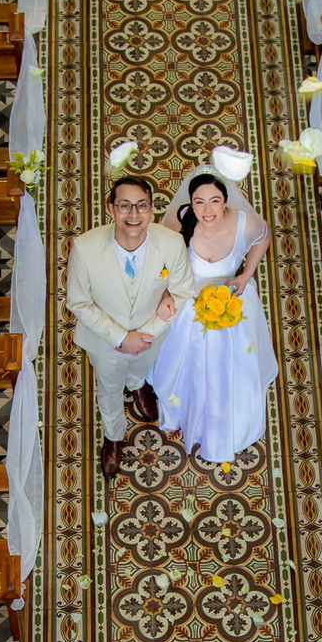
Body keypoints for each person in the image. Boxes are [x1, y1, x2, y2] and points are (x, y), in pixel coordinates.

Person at [65, 175, 196, 478]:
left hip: (152, 337)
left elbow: (183, 291)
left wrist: (148, 332)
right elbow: (79, 303)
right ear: (111, 208)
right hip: (105, 343)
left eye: (142, 206)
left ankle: (137, 385)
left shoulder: (171, 243)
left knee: (141, 366)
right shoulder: (84, 248)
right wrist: (122, 338)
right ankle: (113, 436)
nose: (134, 214)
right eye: (124, 206)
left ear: (151, 209)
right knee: (109, 388)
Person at [149, 167, 278, 464]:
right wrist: (165, 292)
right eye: (200, 202)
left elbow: (264, 236)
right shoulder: (180, 219)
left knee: (227, 363)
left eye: (215, 201)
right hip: (188, 298)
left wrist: (246, 275)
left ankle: (224, 411)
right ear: (191, 203)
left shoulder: (245, 223)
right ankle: (184, 401)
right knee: (187, 358)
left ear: (226, 201)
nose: (208, 211)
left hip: (230, 299)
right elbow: (162, 258)